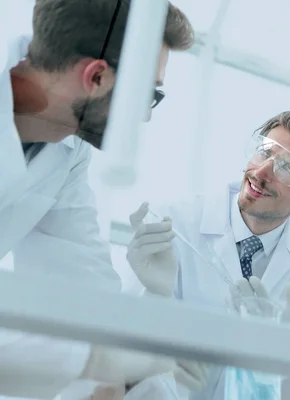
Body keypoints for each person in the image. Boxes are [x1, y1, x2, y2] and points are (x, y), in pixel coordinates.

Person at [0, 1, 206, 397]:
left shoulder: (66, 150)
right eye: (148, 94)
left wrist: (135, 366)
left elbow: (80, 287)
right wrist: (93, 359)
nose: (144, 117)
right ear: (96, 76)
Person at [126, 110, 290, 399]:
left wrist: (270, 338)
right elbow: (126, 349)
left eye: (288, 168)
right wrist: (155, 294)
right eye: (264, 152)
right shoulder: (177, 222)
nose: (261, 172)